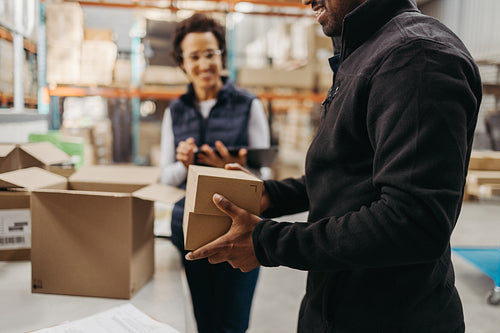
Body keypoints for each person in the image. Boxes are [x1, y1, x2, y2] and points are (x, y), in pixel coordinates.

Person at [185, 0, 483, 332]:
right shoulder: (366, 51)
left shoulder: (417, 57)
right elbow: (345, 175)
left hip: (392, 318)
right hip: (339, 306)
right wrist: (269, 195)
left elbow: (413, 222)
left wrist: (266, 242)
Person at [159, 13, 270, 333]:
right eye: (194, 56)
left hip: (239, 229)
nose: (204, 63)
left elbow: (264, 175)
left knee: (233, 322)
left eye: (210, 53)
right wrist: (182, 166)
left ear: (221, 55)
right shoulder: (176, 111)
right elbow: (164, 177)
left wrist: (231, 170)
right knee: (204, 321)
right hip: (189, 231)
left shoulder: (248, 104)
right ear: (183, 63)